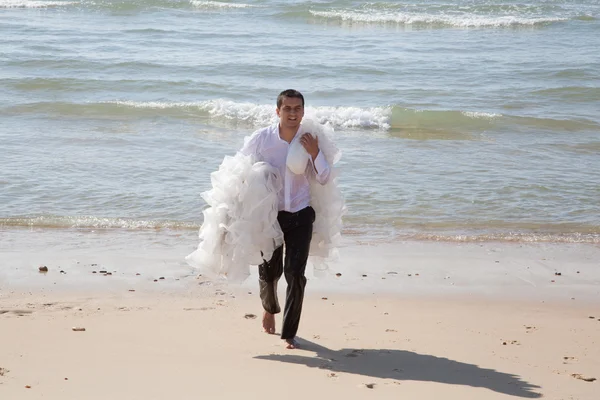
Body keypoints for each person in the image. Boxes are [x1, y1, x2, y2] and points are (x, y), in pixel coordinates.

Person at [240, 89, 332, 349]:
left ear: (303, 111)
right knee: (270, 273)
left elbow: (324, 178)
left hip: (301, 214)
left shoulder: (311, 139)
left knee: (296, 274)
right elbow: (241, 169)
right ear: (277, 111)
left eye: (298, 108)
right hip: (270, 215)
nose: (293, 113)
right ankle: (269, 308)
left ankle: (289, 332)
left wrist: (315, 153)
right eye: (288, 108)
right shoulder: (262, 139)